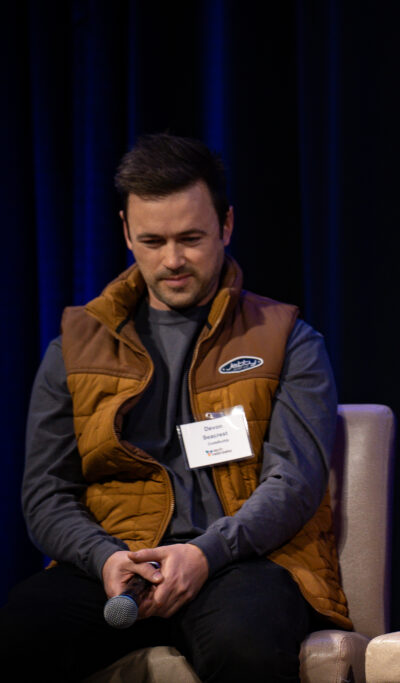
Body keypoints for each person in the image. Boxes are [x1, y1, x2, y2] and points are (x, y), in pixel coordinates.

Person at [0, 134, 349, 681]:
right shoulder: (74, 345)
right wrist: (106, 559)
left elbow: (293, 482)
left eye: (191, 238)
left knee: (247, 647)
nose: (173, 260)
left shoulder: (287, 338)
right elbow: (46, 493)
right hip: (114, 565)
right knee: (18, 632)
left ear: (226, 226)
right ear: (125, 233)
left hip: (241, 562)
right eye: (153, 241)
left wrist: (206, 553)